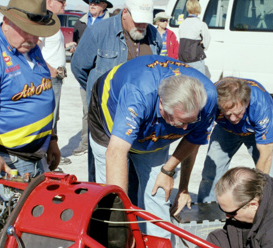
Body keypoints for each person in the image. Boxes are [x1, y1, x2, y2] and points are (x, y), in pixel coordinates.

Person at [88, 55, 217, 238]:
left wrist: (167, 171)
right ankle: (108, 243)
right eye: (180, 121)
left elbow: (195, 138)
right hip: (108, 118)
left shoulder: (208, 98)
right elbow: (116, 153)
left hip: (153, 127)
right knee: (109, 194)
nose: (186, 128)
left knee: (157, 193)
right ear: (162, 104)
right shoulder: (138, 94)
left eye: (191, 120)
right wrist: (120, 230)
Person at [0, 0, 61, 190]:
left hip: (37, 157)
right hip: (9, 161)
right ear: (6, 22)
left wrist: (52, 140)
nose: (33, 38)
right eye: (26, 30)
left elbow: (41, 96)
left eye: (37, 32)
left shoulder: (31, 48)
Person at [71, 0, 162, 182]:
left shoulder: (153, 35)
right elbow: (79, 68)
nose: (142, 26)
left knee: (135, 176)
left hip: (140, 119)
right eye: (138, 21)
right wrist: (97, 94)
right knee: (103, 177)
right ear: (125, 13)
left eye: (145, 21)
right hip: (105, 118)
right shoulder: (98, 32)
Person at [197, 77, 273, 203]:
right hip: (225, 129)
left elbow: (266, 154)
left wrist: (255, 194)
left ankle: (264, 211)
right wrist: (183, 188)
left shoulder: (261, 106)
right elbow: (194, 139)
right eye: (228, 113)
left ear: (246, 102)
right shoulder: (210, 100)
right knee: (210, 173)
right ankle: (206, 209)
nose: (234, 118)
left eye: (238, 113)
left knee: (268, 178)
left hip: (254, 129)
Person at [71, 0, 113, 156]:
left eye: (96, 2)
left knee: (107, 111)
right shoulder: (81, 23)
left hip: (104, 75)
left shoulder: (110, 23)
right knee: (87, 111)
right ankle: (85, 142)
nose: (92, 4)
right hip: (86, 76)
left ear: (104, 5)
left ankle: (105, 143)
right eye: (90, 2)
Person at [39, 0, 77, 165]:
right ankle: (46, 155)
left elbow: (50, 48)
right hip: (50, 78)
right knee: (49, 117)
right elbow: (35, 48)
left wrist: (66, 46)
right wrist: (50, 70)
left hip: (56, 78)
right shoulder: (43, 22)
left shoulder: (52, 22)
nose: (64, 5)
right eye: (61, 1)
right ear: (49, 2)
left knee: (54, 117)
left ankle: (51, 152)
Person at [178, 0, 210, 75]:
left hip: (183, 58)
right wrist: (202, 46)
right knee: (199, 81)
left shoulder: (182, 24)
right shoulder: (201, 24)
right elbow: (207, 41)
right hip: (195, 57)